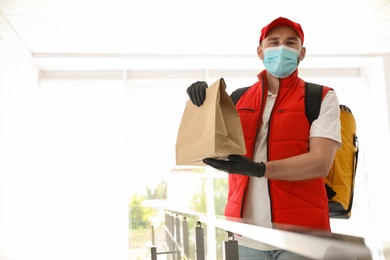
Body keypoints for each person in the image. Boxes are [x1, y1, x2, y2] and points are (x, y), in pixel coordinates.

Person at [186, 17, 341, 260]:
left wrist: (258, 169)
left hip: (302, 238)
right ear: (260, 51)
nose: (282, 48)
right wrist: (203, 104)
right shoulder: (237, 98)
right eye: (274, 42)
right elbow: (208, 151)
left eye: (291, 43)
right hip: (245, 235)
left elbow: (320, 162)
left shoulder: (321, 96)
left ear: (302, 53)